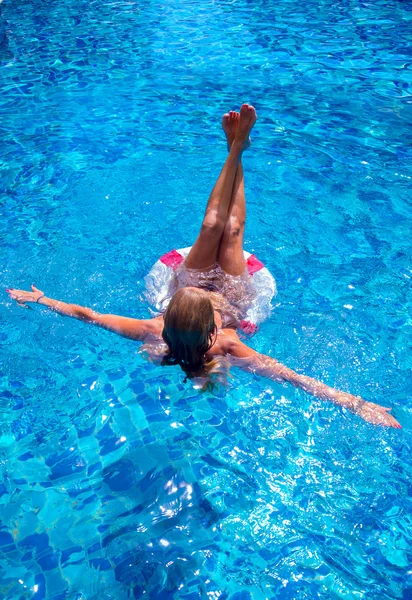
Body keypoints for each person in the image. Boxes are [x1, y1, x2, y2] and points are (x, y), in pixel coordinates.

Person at [6, 104, 401, 429]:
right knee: (231, 230)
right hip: (234, 298)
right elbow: (292, 377)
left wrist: (43, 299)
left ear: (169, 312)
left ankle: (234, 148)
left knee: (210, 225)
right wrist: (356, 404)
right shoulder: (225, 342)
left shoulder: (152, 329)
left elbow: (87, 315)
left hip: (196, 283)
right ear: (211, 327)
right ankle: (238, 148)